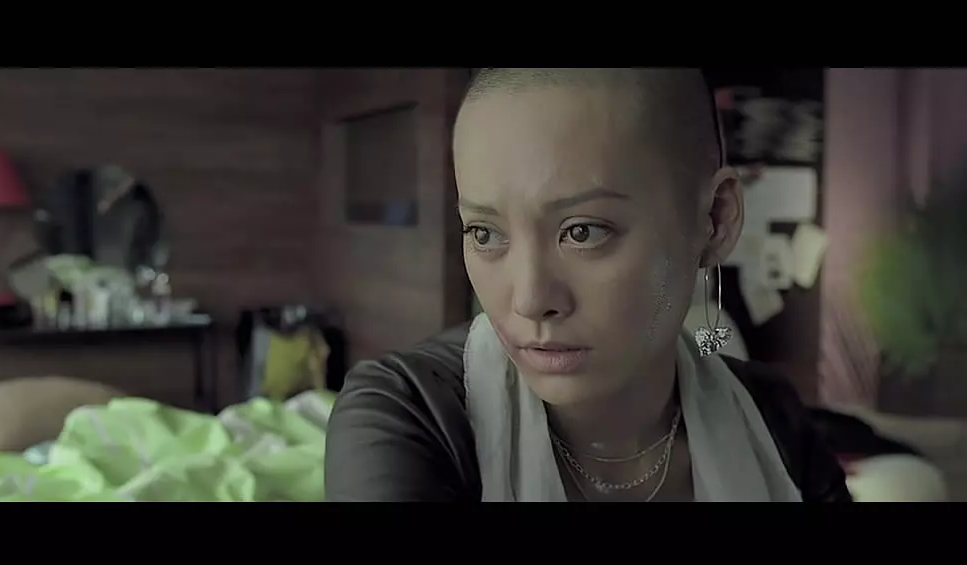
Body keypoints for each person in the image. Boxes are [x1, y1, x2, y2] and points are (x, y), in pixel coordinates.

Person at [324, 68, 851, 502]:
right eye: (484, 233)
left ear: (714, 220)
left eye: (582, 232)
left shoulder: (772, 420)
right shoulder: (408, 415)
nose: (529, 300)